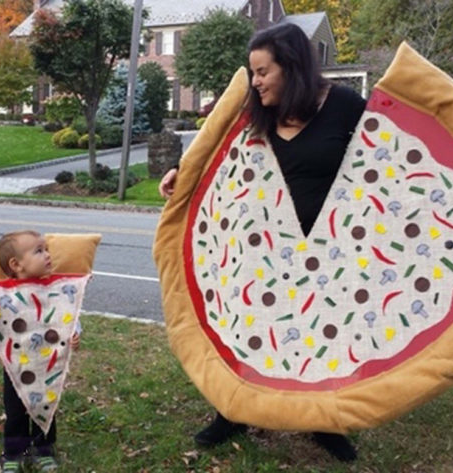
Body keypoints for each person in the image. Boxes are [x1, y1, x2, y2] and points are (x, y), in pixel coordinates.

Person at [158, 23, 366, 462]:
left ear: (290, 68)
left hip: (326, 250)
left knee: (320, 337)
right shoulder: (254, 114)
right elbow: (213, 148)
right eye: (252, 72)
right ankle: (232, 411)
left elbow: (388, 149)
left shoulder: (344, 105)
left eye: (262, 71)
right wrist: (181, 170)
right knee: (246, 330)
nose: (254, 81)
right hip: (258, 248)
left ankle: (322, 421)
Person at [0, 230, 81, 473]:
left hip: (48, 364)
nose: (47, 255)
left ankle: (44, 449)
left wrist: (74, 333)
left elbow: (67, 313)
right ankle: (13, 454)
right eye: (39, 251)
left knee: (47, 406)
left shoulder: (56, 288)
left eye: (46, 249)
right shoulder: (0, 295)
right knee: (16, 413)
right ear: (16, 264)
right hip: (16, 366)